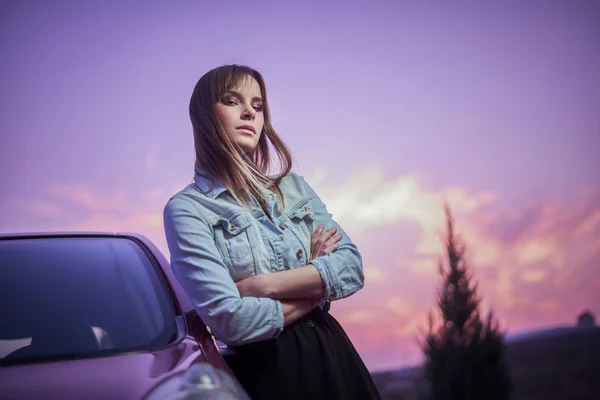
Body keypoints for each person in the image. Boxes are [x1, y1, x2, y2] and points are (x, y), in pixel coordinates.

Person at [163, 64, 381, 400]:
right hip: (267, 374)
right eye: (232, 101)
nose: (249, 111)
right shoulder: (187, 210)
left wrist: (261, 286)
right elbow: (232, 321)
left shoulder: (295, 188)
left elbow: (351, 267)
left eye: (258, 105)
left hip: (336, 358)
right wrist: (316, 284)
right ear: (205, 116)